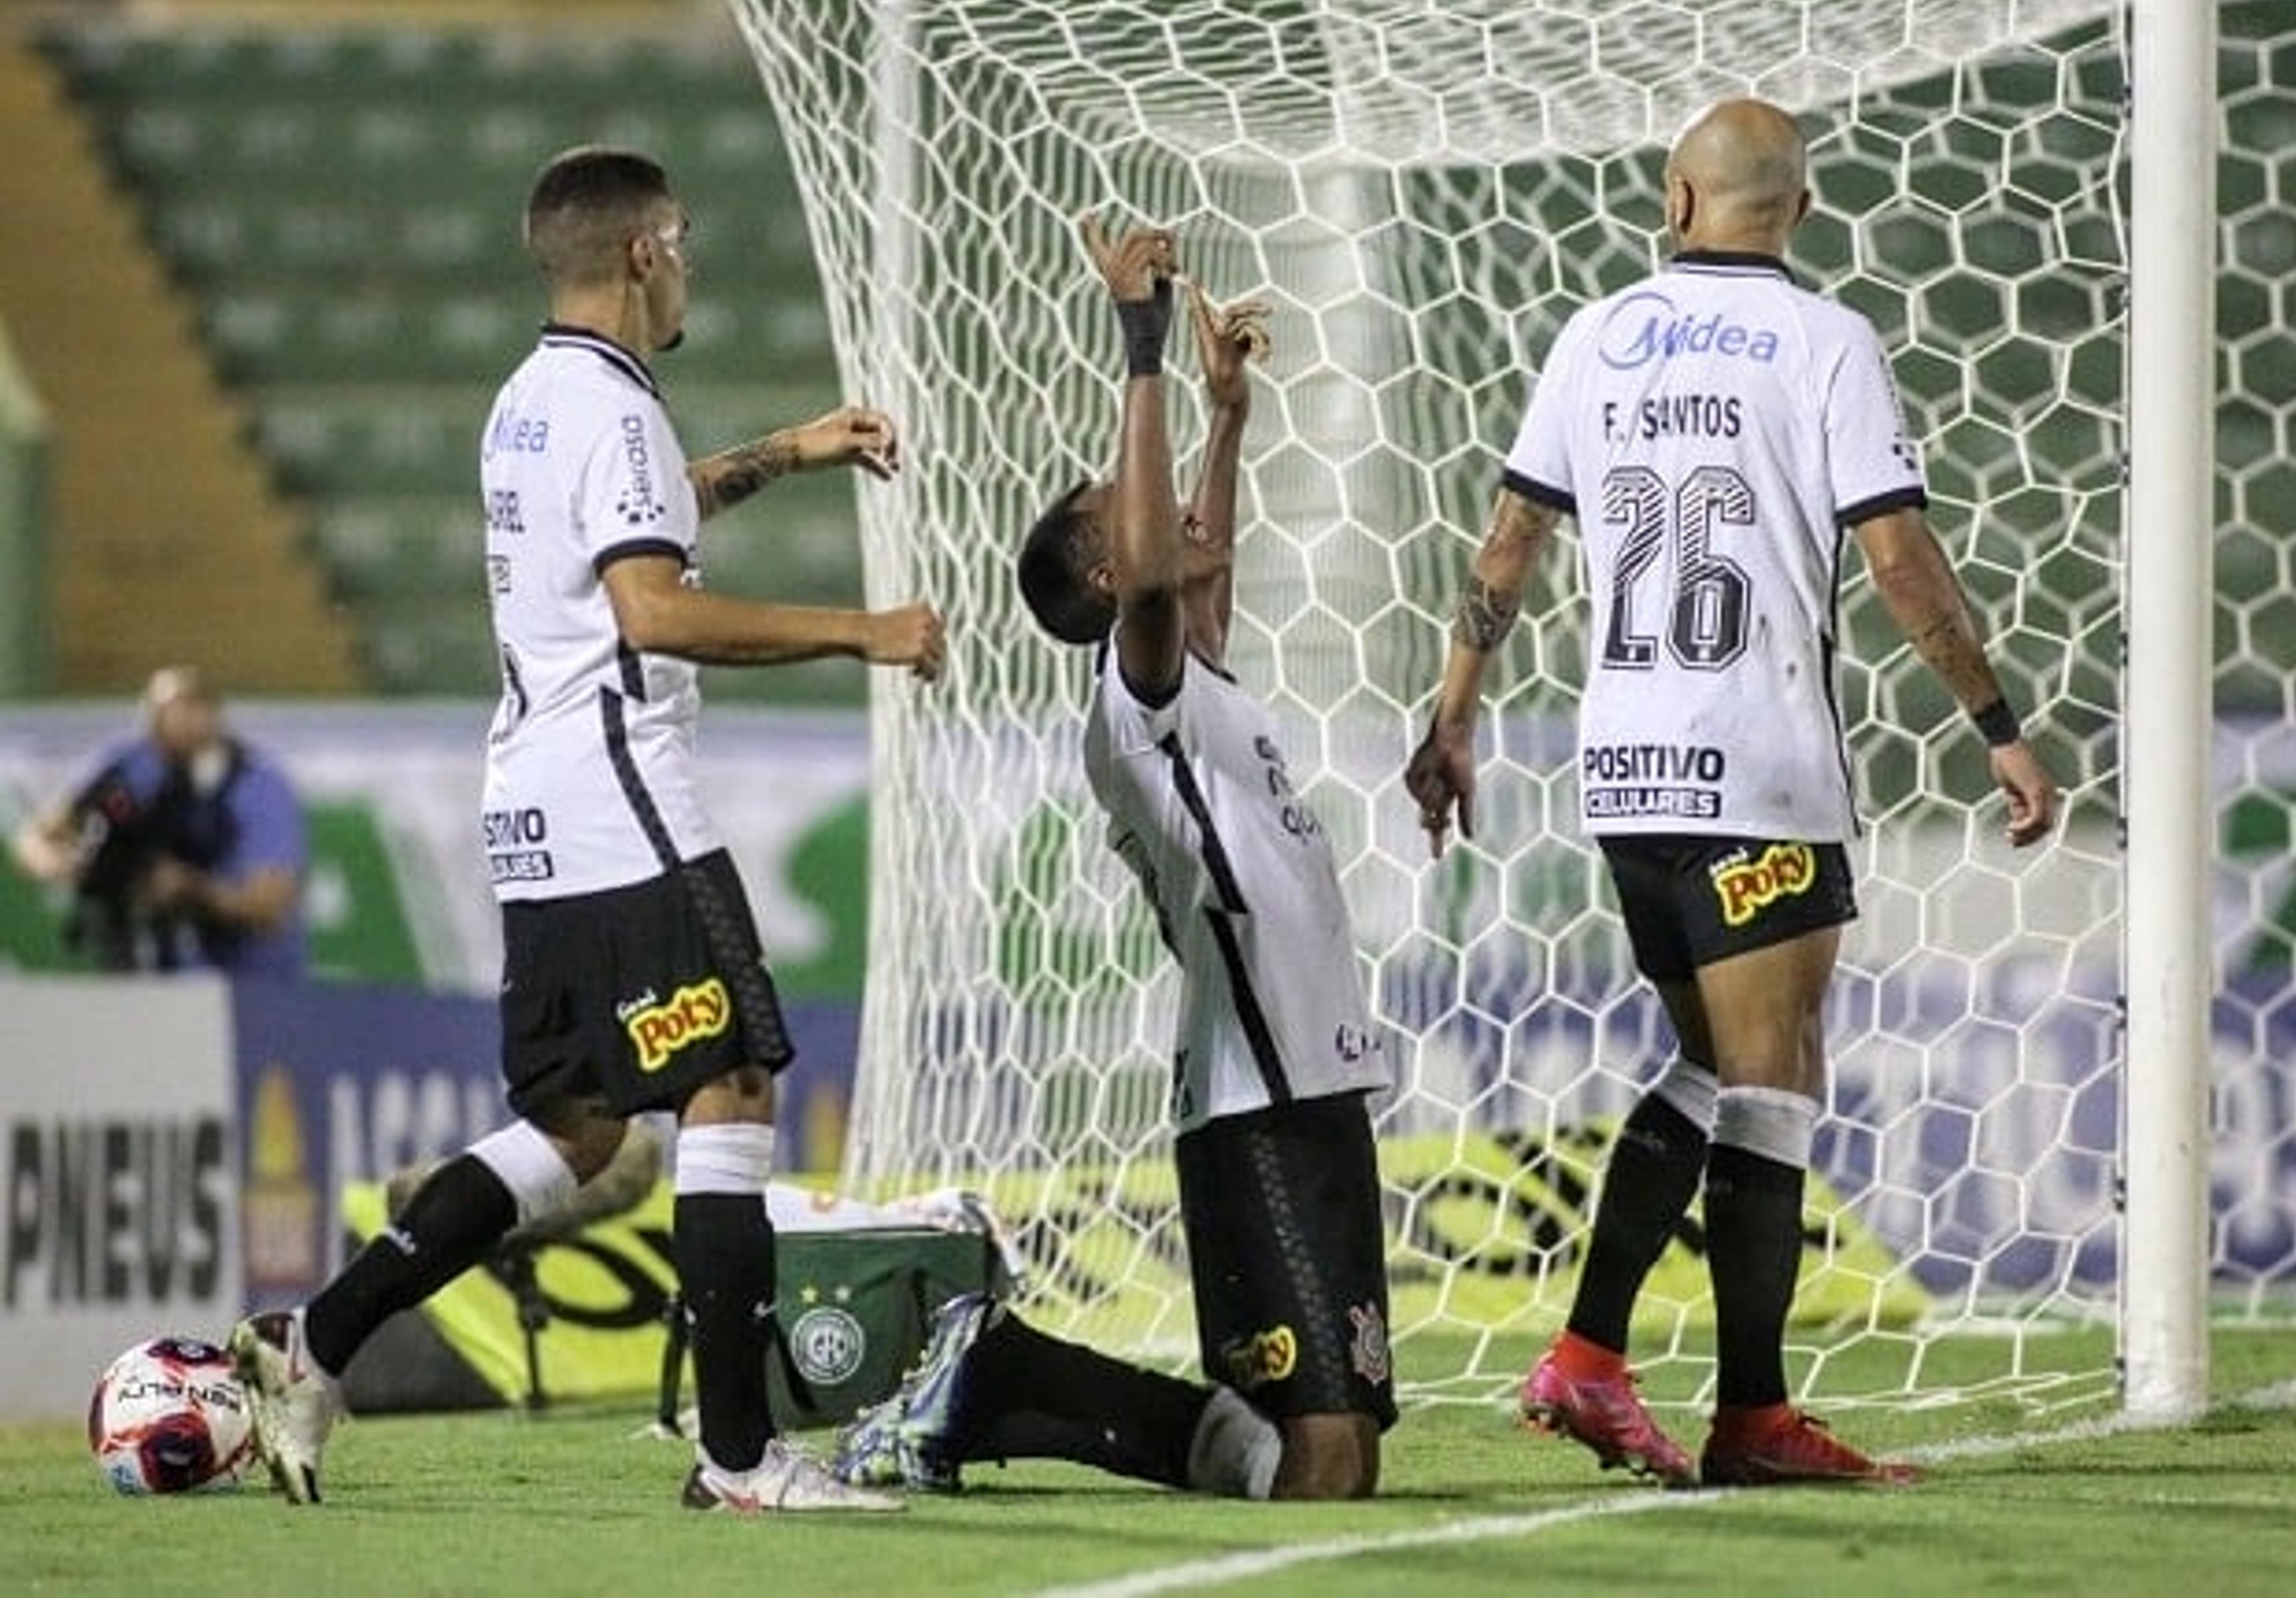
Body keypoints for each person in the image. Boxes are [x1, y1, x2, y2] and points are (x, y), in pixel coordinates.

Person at [225, 144, 946, 1514]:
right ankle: (740, 1457)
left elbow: (643, 507)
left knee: (579, 1126)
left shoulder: (531, 400)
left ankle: (315, 1334)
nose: (687, 264)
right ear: (640, 251)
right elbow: (653, 610)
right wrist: (866, 630)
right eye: (679, 239)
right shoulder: (607, 412)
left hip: (534, 808)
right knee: (729, 1081)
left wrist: (789, 449)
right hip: (626, 801)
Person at [1403, 98, 2064, 1488]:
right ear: (1800, 213)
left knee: (1710, 1072)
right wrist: (1996, 723)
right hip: (1756, 768)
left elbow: (1513, 536)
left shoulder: (1596, 335)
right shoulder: (1828, 342)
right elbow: (1897, 562)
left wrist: (1454, 715)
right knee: (1769, 1084)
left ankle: (1589, 1358)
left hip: (1625, 771)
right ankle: (1752, 1417)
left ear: (1676, 199)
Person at [838, 217, 1396, 1503]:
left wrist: (1228, 419)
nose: (1184, 522)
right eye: (1135, 516)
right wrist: (1139, 343)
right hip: (1252, 1097)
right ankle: (1011, 1381)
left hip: (1314, 1082)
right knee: (1318, 1467)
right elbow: (1160, 573)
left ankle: (1005, 1373)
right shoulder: (1129, 694)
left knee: (1341, 1451)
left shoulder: (1203, 684)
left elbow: (1195, 568)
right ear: (1105, 567)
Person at [9, 665, 308, 977]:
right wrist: (71, 866)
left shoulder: (255, 785)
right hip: (146, 970)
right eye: (164, 711)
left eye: (193, 707)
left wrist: (190, 889)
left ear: (215, 716)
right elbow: (39, 837)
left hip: (247, 981)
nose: (180, 721)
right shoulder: (133, 767)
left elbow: (270, 906)